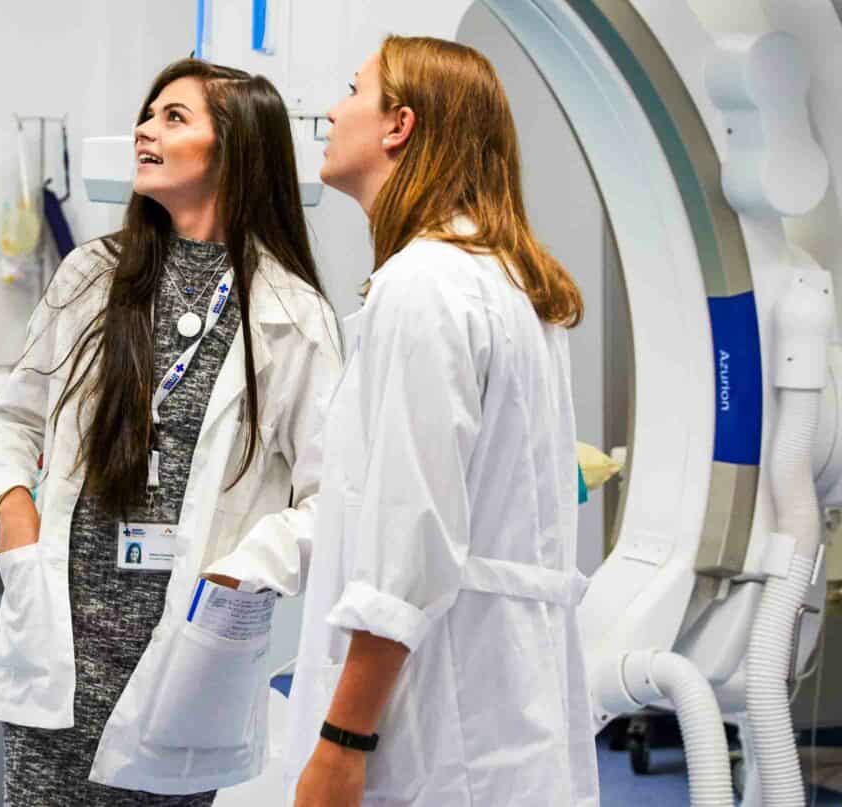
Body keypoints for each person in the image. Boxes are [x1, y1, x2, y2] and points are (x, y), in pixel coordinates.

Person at [0, 58, 341, 804]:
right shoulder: (90, 277)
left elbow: (335, 497)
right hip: (60, 658)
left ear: (234, 149)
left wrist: (243, 570)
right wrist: (17, 524)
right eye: (150, 114)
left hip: (182, 668)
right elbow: (11, 420)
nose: (145, 129)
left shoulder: (291, 315)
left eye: (175, 117)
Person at [285, 35, 599, 806]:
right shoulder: (506, 282)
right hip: (507, 705)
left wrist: (342, 740)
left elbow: (409, 543)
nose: (330, 111)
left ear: (398, 125)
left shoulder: (424, 283)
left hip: (438, 721)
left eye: (352, 91)